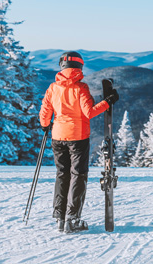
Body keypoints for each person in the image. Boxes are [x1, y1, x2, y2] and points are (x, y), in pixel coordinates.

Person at [39, 51, 119, 233]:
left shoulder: (53, 88)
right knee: (78, 175)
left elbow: (45, 112)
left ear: (62, 66)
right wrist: (108, 102)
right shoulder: (80, 88)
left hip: (57, 137)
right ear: (80, 67)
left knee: (62, 174)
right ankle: (72, 219)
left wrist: (45, 126)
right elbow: (89, 112)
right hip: (78, 137)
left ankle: (60, 218)